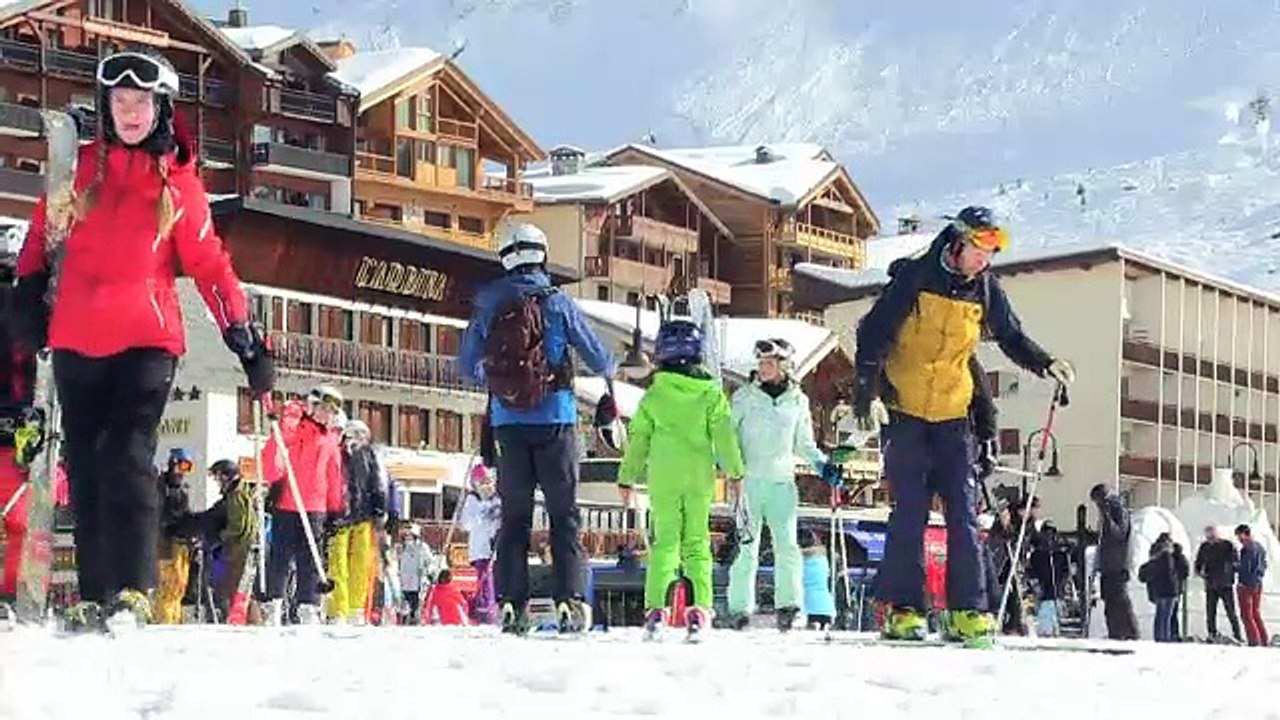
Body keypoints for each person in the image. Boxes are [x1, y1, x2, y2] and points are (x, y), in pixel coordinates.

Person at [10, 50, 273, 628]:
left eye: (141, 102)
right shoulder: (78, 170)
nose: (130, 112)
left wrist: (243, 333)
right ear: (106, 107)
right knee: (85, 465)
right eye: (120, 101)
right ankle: (95, 592)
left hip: (147, 340)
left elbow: (208, 263)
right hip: (77, 336)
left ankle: (133, 588)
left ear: (161, 109)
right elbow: (40, 238)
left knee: (126, 454)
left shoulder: (177, 183)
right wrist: (26, 295)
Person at [852, 206, 1074, 641]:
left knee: (964, 515)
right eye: (979, 249)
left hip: (954, 415)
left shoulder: (985, 289)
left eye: (991, 252)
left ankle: (967, 610)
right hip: (906, 411)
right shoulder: (915, 277)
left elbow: (1010, 336)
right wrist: (868, 392)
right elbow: (873, 333)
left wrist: (1045, 363)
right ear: (957, 242)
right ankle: (903, 609)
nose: (984, 260)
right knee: (910, 512)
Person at [458, 221, 617, 634]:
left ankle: (512, 603)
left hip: (507, 424)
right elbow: (599, 358)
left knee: (514, 519)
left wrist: (503, 382)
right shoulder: (558, 302)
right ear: (542, 253)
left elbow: (467, 365)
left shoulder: (489, 302)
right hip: (557, 420)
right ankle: (570, 600)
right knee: (564, 516)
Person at [617, 320, 744, 639]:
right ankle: (700, 609)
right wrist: (735, 472)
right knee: (697, 542)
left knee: (665, 543)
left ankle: (656, 610)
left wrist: (626, 477)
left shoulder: (654, 396)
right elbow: (724, 437)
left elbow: (639, 441)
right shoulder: (711, 394)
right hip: (699, 477)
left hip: (664, 478)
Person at [725, 338, 832, 631]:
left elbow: (804, 443)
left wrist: (822, 465)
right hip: (749, 484)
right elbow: (728, 438)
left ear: (784, 366)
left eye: (770, 363)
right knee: (747, 547)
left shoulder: (797, 400)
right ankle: (739, 608)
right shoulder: (744, 398)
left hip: (781, 484)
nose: (764, 368)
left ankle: (789, 605)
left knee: (787, 546)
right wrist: (732, 470)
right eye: (761, 363)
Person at [260, 386, 345, 625]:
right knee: (281, 556)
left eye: (331, 412)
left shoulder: (330, 438)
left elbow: (334, 475)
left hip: (316, 507)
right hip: (288, 502)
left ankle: (308, 605)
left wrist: (336, 509)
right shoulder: (296, 427)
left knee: (310, 559)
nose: (327, 415)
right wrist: (288, 417)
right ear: (313, 406)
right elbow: (275, 452)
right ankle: (274, 602)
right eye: (324, 409)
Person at [326, 419, 387, 625]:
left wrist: (380, 509)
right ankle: (339, 609)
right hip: (340, 515)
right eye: (352, 434)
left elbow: (379, 481)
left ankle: (355, 608)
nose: (356, 439)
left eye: (360, 435)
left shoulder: (369, 454)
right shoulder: (337, 452)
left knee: (360, 564)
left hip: (362, 514)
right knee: (339, 565)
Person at [1090, 483, 1138, 640]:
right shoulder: (1111, 510)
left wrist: (1107, 518)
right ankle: (1115, 632)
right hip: (1109, 563)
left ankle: (1130, 632)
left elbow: (1118, 534)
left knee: (1119, 600)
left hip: (1117, 563)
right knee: (1110, 600)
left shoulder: (1117, 509)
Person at [154, 448, 196, 624]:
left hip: (181, 543)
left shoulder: (182, 490)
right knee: (167, 586)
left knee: (179, 585)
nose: (183, 473)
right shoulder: (160, 487)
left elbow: (185, 514)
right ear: (172, 464)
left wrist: (193, 531)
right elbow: (158, 514)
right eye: (182, 466)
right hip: (165, 542)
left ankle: (175, 620)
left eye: (188, 468)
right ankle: (163, 620)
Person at [459, 464, 501, 624]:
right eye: (481, 483)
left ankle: (494, 609)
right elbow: (465, 524)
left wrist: (496, 515)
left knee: (496, 579)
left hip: (496, 546)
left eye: (488, 482)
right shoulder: (472, 501)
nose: (486, 486)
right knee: (484, 580)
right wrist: (481, 513)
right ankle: (484, 611)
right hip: (480, 548)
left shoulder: (498, 499)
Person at [1193, 525, 1243, 643]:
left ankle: (1237, 634)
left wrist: (1230, 570)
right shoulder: (1204, 547)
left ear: (1217, 534)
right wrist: (1200, 572)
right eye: (1208, 536)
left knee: (1231, 611)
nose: (1210, 539)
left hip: (1225, 584)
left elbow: (1236, 561)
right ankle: (1212, 633)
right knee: (1210, 612)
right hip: (1211, 584)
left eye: (1212, 536)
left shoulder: (1227, 545)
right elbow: (1198, 562)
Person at [1138, 533, 1188, 642]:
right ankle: (1167, 638)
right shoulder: (1171, 557)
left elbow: (1145, 574)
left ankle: (1160, 637)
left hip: (1158, 590)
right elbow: (1184, 571)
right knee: (1168, 616)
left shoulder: (1155, 557)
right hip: (1171, 590)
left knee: (1160, 615)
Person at [1235, 524, 1269, 646]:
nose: (1239, 539)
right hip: (1257, 583)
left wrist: (1234, 567)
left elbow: (1246, 567)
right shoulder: (1259, 547)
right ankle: (1263, 638)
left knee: (1246, 614)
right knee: (1255, 612)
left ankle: (1254, 640)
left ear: (1244, 534)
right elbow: (1264, 564)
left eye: (1239, 536)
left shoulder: (1248, 549)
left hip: (1247, 584)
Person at [800, 529, 837, 631]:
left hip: (810, 604)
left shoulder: (801, 556)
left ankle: (813, 622)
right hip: (825, 605)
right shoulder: (822, 553)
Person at [397, 524, 434, 625]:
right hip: (404, 582)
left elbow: (430, 561)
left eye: (410, 534)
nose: (407, 537)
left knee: (415, 603)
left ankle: (415, 618)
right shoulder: (400, 547)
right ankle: (404, 619)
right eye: (406, 535)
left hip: (417, 581)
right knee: (404, 603)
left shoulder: (422, 547)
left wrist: (429, 571)